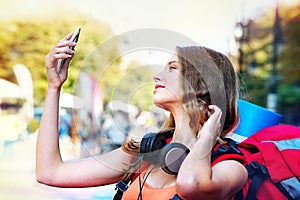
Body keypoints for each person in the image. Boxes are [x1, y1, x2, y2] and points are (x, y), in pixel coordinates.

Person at [36, 32, 248, 200]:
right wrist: (54, 87)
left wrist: (207, 137)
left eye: (172, 68)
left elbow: (191, 186)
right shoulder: (146, 152)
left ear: (202, 83)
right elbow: (50, 173)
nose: (157, 75)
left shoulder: (230, 166)